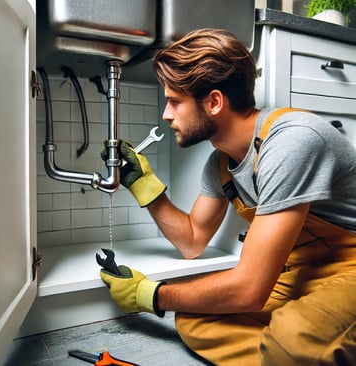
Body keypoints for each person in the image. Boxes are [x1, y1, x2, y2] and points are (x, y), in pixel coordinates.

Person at [100, 28, 356, 365]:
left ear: (215, 102)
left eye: (175, 101)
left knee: (294, 338)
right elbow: (192, 241)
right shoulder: (220, 164)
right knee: (194, 319)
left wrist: (152, 294)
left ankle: (294, 349)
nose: (166, 114)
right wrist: (142, 183)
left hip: (351, 270)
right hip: (303, 273)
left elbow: (250, 289)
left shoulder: (291, 140)